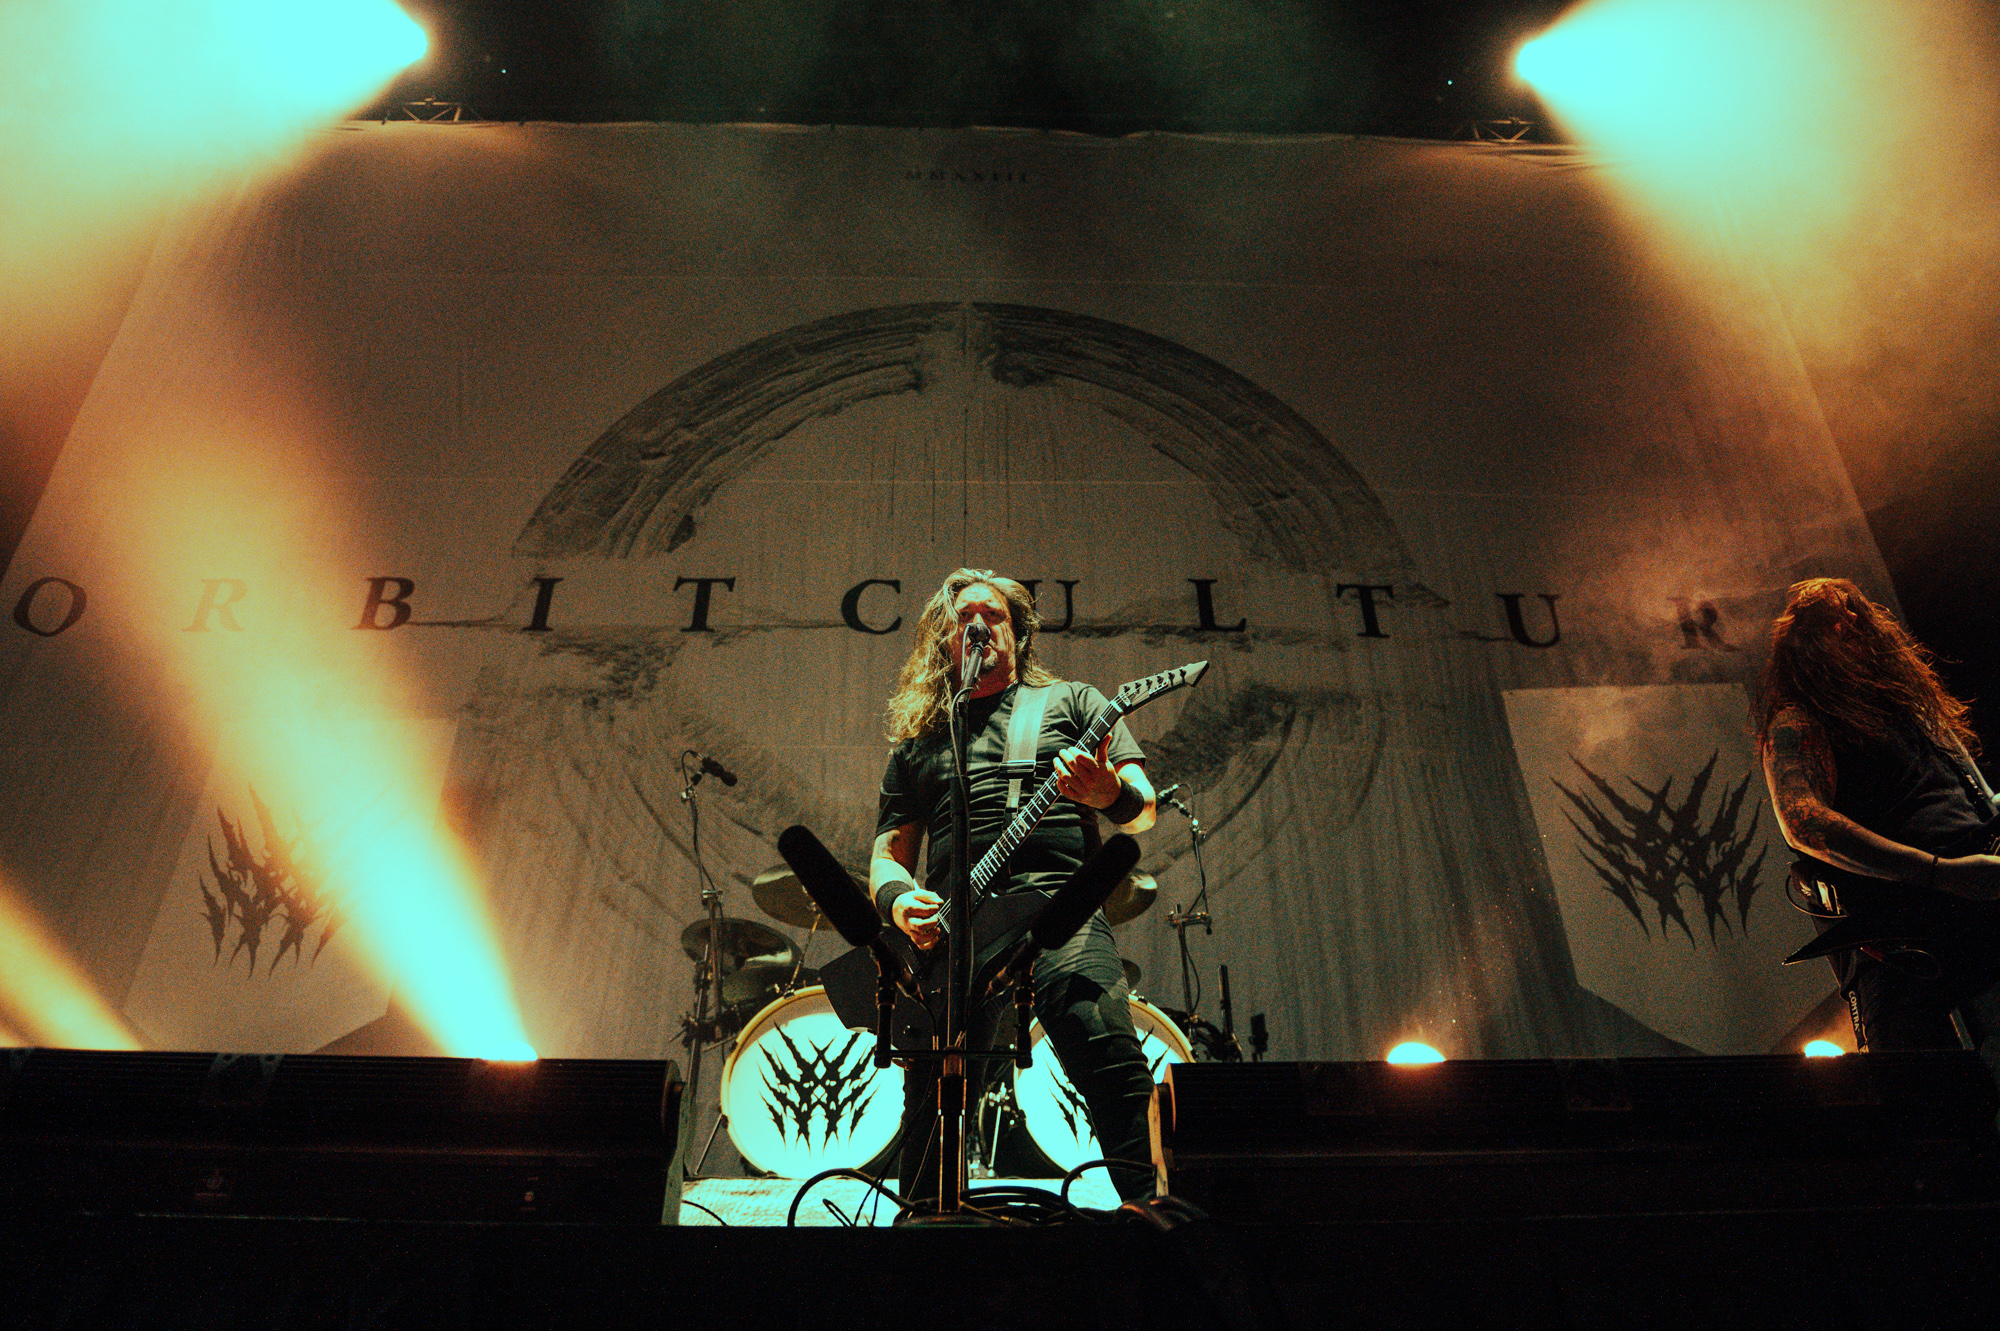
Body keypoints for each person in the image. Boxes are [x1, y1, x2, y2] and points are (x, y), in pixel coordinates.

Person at [871, 567, 1159, 1203]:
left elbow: (1143, 809)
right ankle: (924, 1226)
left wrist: (1107, 792)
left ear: (1018, 634)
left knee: (1103, 1046)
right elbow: (888, 857)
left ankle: (1155, 1219)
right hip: (956, 931)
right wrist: (899, 904)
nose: (978, 624)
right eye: (963, 617)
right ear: (945, 641)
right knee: (932, 1095)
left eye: (993, 614)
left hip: (1059, 911)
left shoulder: (1074, 702)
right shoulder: (922, 741)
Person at [1756, 577, 2000, 1050]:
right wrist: (1940, 873)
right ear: (1804, 646)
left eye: (1855, 610)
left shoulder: (1919, 715)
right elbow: (1804, 823)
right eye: (1831, 618)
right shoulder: (1800, 721)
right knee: (1929, 1082)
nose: (1850, 620)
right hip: (1905, 946)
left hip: (1981, 914)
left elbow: (1982, 804)